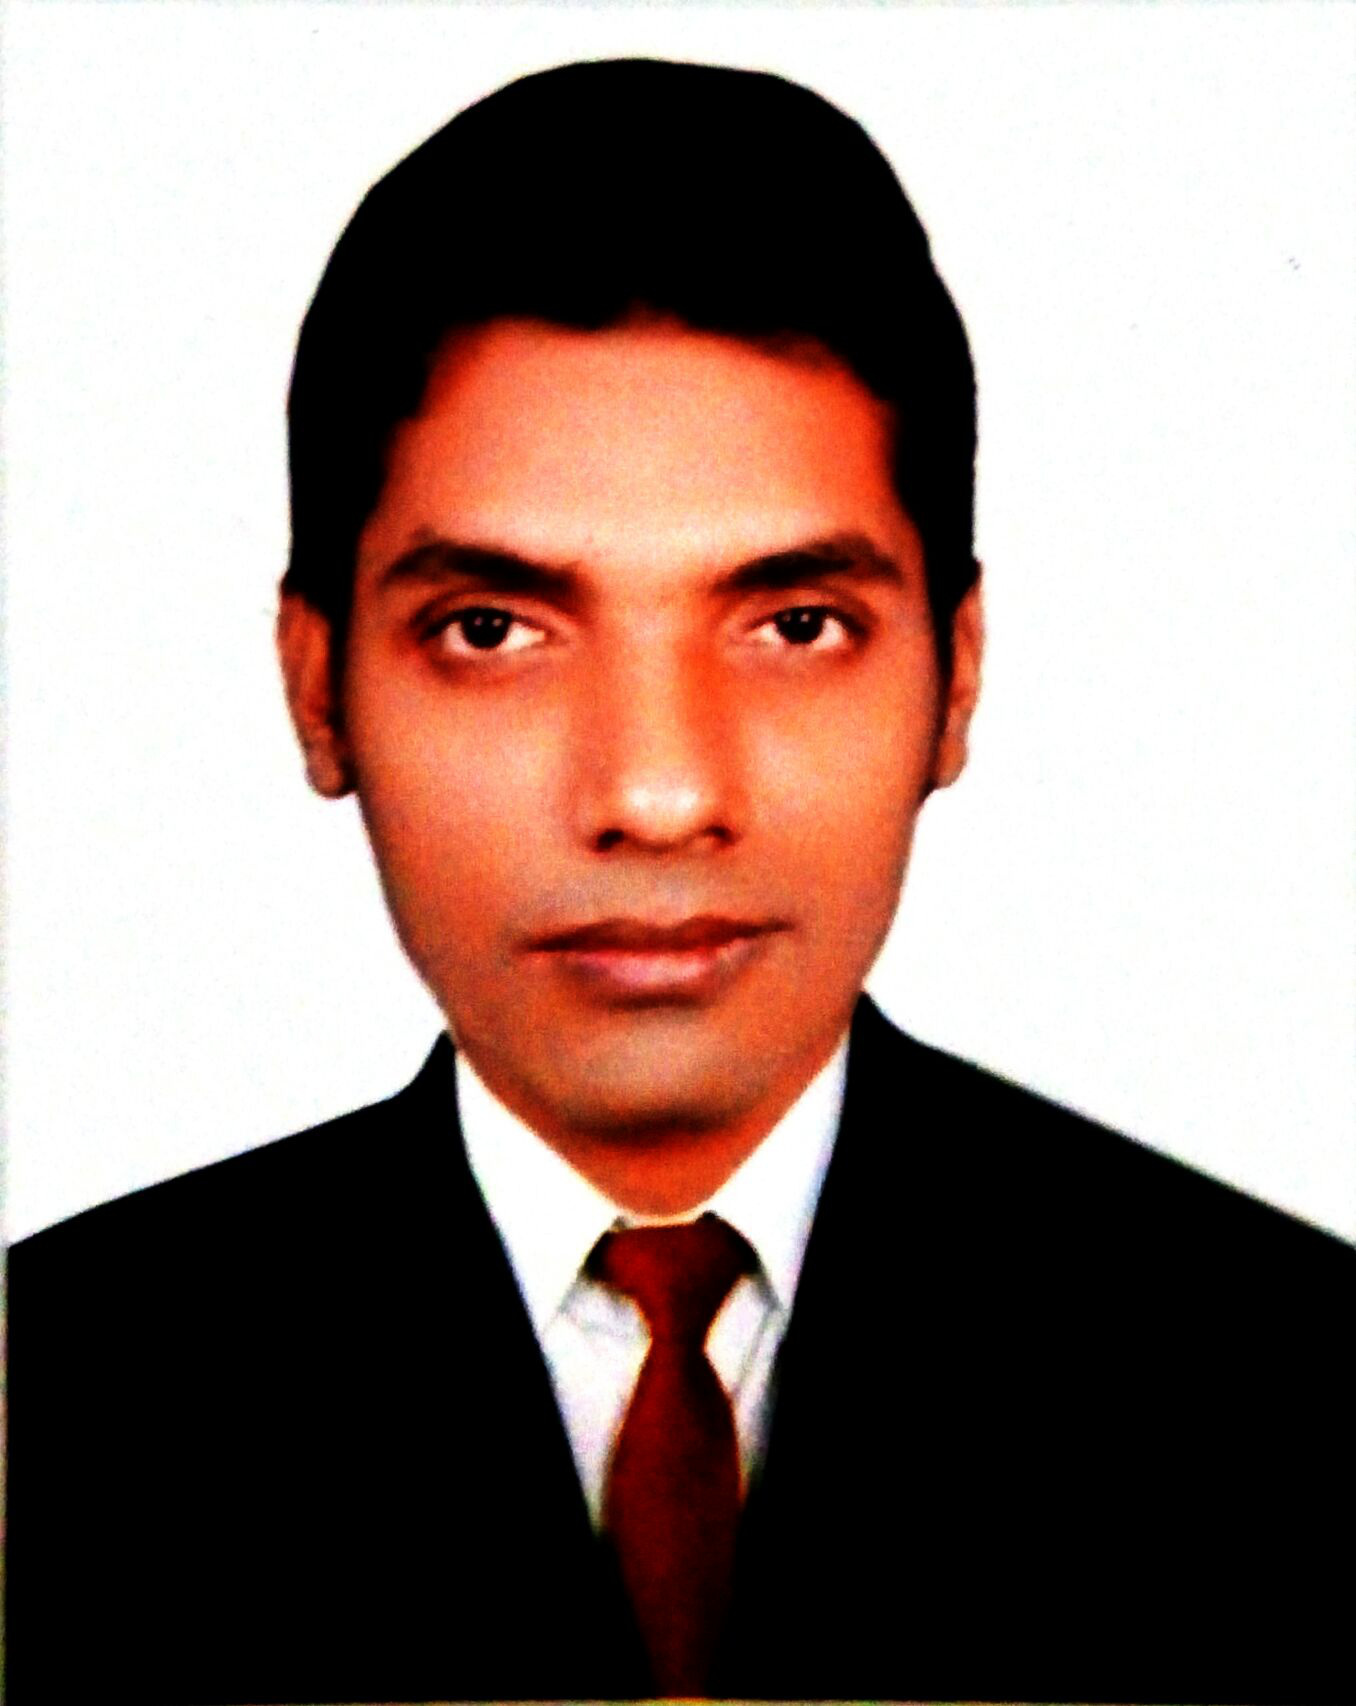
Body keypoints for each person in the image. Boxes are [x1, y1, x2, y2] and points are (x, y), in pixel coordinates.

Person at [8, 57, 1351, 1706]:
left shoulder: (1306, 1393)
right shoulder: (43, 1413)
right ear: (317, 687)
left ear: (957, 675)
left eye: (795, 624)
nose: (656, 793)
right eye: (491, 629)